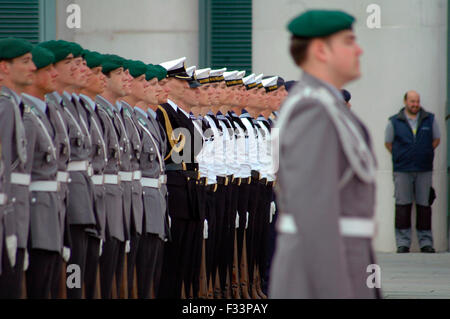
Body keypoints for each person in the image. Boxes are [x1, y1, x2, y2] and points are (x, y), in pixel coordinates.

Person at [269, 9, 379, 298]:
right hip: (320, 280)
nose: (359, 49)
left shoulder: (327, 105)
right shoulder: (313, 110)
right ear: (321, 50)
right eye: (349, 41)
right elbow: (314, 217)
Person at [0, 37, 35, 299]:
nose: (32, 67)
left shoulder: (13, 103)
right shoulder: (5, 105)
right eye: (25, 61)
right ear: (4, 68)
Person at [384, 90, 440, 253]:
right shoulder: (394, 121)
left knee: (424, 206)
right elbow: (388, 143)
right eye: (412, 101)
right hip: (402, 169)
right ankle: (402, 242)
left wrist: (423, 152)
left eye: (417, 101)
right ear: (405, 102)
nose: (415, 104)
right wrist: (402, 155)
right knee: (402, 206)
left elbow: (436, 139)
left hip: (424, 169)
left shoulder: (430, 119)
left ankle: (426, 242)